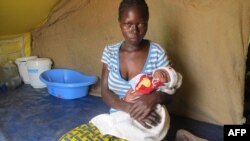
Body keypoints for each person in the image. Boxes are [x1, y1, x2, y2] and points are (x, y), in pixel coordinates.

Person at [59, 0, 177, 140]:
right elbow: (105, 92)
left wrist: (154, 97)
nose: (135, 30)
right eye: (128, 24)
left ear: (147, 22)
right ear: (120, 22)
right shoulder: (110, 52)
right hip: (118, 116)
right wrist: (129, 109)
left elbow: (170, 93)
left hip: (148, 118)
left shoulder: (157, 53)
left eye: (141, 24)